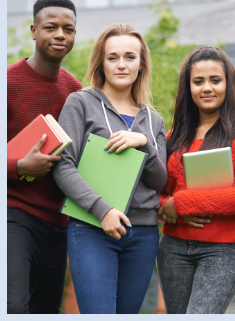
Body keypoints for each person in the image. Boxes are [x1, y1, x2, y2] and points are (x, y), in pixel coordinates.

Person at [53, 23, 167, 314]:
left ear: (141, 64)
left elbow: (159, 181)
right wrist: (102, 210)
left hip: (142, 234)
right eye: (112, 57)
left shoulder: (153, 121)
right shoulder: (80, 103)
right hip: (91, 228)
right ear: (101, 63)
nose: (121, 64)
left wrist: (143, 142)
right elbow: (63, 167)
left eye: (130, 57)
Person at [156, 45, 235, 314]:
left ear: (228, 83)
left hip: (221, 250)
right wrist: (171, 210)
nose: (207, 88)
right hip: (173, 249)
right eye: (198, 81)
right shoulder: (172, 137)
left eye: (215, 80)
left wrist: (181, 203)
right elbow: (156, 194)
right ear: (188, 87)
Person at [7, 0, 82, 314]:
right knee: (12, 305)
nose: (60, 35)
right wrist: (19, 165)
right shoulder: (7, 83)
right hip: (14, 214)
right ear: (33, 31)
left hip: (60, 223)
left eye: (69, 29)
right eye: (51, 27)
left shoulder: (75, 91)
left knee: (47, 311)